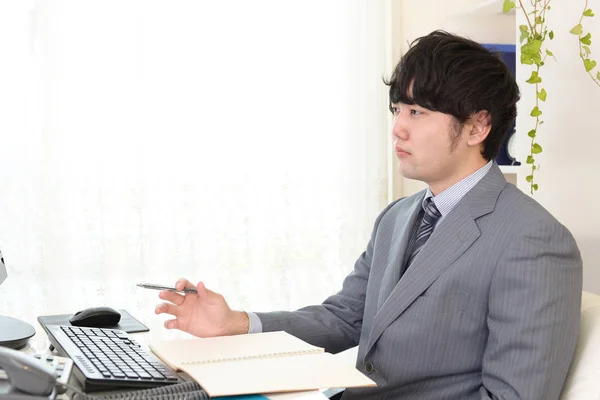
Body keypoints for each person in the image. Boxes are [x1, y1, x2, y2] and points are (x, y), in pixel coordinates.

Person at [154, 31, 583, 400]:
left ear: (477, 127)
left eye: (417, 112)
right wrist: (237, 323)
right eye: (397, 109)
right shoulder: (397, 217)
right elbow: (345, 318)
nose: (398, 127)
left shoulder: (534, 240)